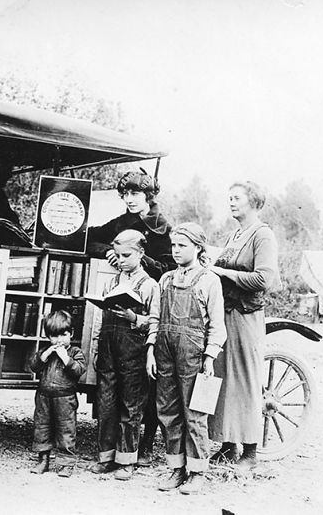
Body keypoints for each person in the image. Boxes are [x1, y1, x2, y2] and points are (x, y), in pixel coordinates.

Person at [86, 169, 174, 464]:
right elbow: (91, 239)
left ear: (149, 195)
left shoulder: (163, 227)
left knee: (142, 387)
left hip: (149, 307)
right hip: (118, 315)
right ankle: (115, 451)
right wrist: (110, 253)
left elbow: (167, 268)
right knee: (117, 388)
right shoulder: (122, 222)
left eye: (135, 194)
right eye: (124, 195)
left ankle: (145, 444)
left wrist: (138, 258)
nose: (129, 200)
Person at [146, 223, 226, 494]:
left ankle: (198, 471)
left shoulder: (208, 280)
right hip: (164, 352)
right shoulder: (166, 279)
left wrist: (209, 357)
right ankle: (176, 469)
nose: (176, 250)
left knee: (195, 413)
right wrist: (150, 350)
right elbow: (155, 317)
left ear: (198, 247)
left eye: (182, 245)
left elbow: (217, 324)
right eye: (173, 245)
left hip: (193, 355)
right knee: (167, 411)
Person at [208, 181, 279, 472]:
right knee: (225, 379)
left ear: (253, 201)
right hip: (227, 314)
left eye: (236, 198)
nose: (232, 202)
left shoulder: (263, 235)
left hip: (247, 316)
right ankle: (228, 445)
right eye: (230, 198)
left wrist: (221, 271)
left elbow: (264, 279)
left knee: (247, 380)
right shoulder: (235, 234)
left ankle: (250, 453)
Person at [90, 230, 160, 480]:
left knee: (131, 406)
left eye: (127, 255)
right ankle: (106, 456)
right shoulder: (110, 282)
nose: (121, 260)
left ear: (141, 254)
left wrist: (135, 318)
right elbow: (100, 318)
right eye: (118, 255)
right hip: (109, 348)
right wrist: (97, 346)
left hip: (134, 351)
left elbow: (156, 322)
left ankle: (126, 459)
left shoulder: (150, 285)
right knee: (106, 403)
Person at [30, 310, 87, 478]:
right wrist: (44, 356)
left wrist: (66, 359)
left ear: (71, 333)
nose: (59, 340)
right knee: (42, 428)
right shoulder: (46, 352)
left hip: (65, 399)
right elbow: (33, 367)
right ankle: (43, 460)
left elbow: (79, 370)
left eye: (64, 334)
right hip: (44, 397)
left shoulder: (75, 352)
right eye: (54, 336)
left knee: (66, 430)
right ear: (48, 337)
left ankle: (66, 463)